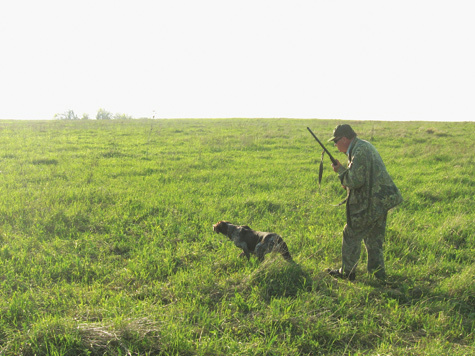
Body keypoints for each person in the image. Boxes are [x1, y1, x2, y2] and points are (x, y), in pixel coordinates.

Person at [326, 124, 403, 281]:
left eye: (336, 141)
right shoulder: (362, 146)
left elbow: (355, 180)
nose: (335, 145)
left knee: (351, 233)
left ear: (345, 138)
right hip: (380, 201)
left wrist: (341, 171)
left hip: (372, 202)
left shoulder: (359, 151)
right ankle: (377, 275)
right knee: (374, 240)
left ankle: (347, 273)